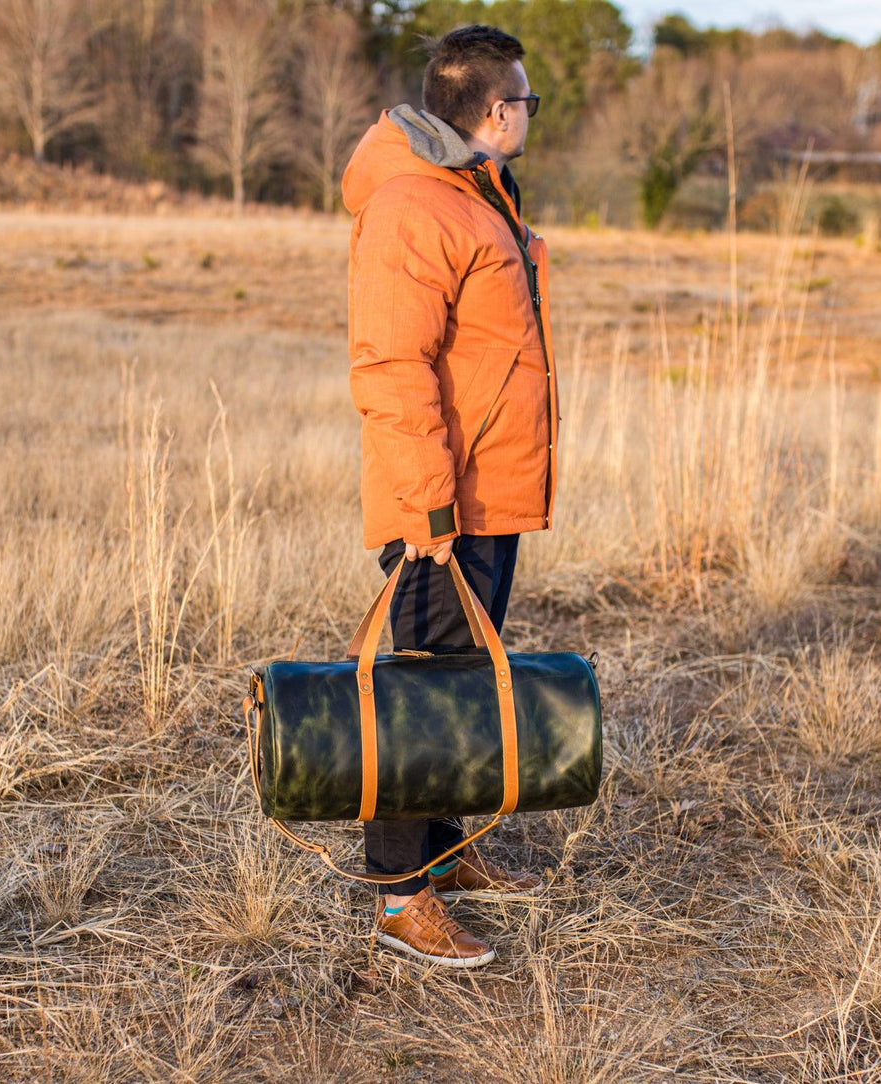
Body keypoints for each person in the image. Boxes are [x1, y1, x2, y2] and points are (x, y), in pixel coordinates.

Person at [340, 24, 558, 968]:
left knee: (462, 687)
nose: (528, 113)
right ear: (494, 110)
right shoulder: (414, 207)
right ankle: (398, 899)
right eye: (525, 99)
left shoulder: (478, 191)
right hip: (444, 501)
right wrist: (428, 505)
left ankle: (445, 851)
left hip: (490, 489)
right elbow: (391, 364)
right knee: (421, 696)